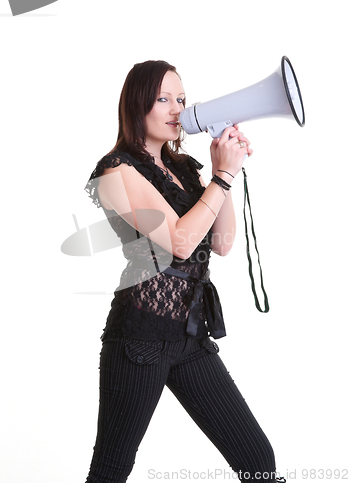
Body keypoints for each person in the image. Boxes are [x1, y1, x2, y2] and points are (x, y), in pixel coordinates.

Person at [84, 60, 286, 483]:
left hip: (190, 334)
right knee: (111, 471)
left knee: (257, 459)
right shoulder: (116, 171)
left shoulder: (184, 169)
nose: (176, 108)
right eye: (163, 99)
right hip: (139, 336)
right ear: (137, 104)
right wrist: (224, 177)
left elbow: (222, 243)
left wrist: (221, 173)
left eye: (181, 99)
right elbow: (177, 242)